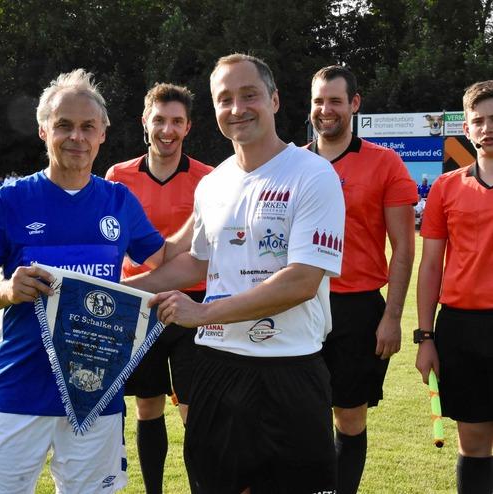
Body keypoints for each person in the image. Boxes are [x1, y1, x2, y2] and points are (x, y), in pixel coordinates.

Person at [125, 53, 345, 493]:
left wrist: (202, 314)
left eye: (249, 95)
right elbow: (197, 261)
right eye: (224, 99)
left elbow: (302, 281)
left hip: (289, 365)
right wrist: (120, 290)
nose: (237, 108)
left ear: (274, 100)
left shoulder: (314, 174)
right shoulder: (213, 183)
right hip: (217, 366)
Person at [0, 69, 171, 494]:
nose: (76, 136)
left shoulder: (119, 201)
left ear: (102, 135)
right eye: (64, 125)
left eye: (87, 127)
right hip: (20, 388)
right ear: (44, 130)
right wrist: (6, 290)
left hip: (98, 393)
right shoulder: (11, 200)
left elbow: (163, 259)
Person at [308, 65, 417, 494]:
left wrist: (392, 317)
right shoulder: (293, 162)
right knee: (300, 414)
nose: (326, 109)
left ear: (354, 104)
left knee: (349, 419)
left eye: (335, 100)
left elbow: (403, 248)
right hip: (298, 302)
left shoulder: (385, 162)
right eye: (319, 101)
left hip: (357, 309)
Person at [106, 82, 212, 494]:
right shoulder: (118, 177)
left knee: (194, 411)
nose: (167, 130)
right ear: (144, 123)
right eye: (159, 120)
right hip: (138, 302)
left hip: (193, 302)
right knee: (147, 407)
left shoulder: (209, 178)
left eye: (176, 121)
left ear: (188, 127)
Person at [415, 80, 493, 494]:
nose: (487, 128)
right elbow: (430, 267)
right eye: (478, 121)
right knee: (474, 445)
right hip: (462, 330)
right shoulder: (447, 187)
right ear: (466, 128)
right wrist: (425, 337)